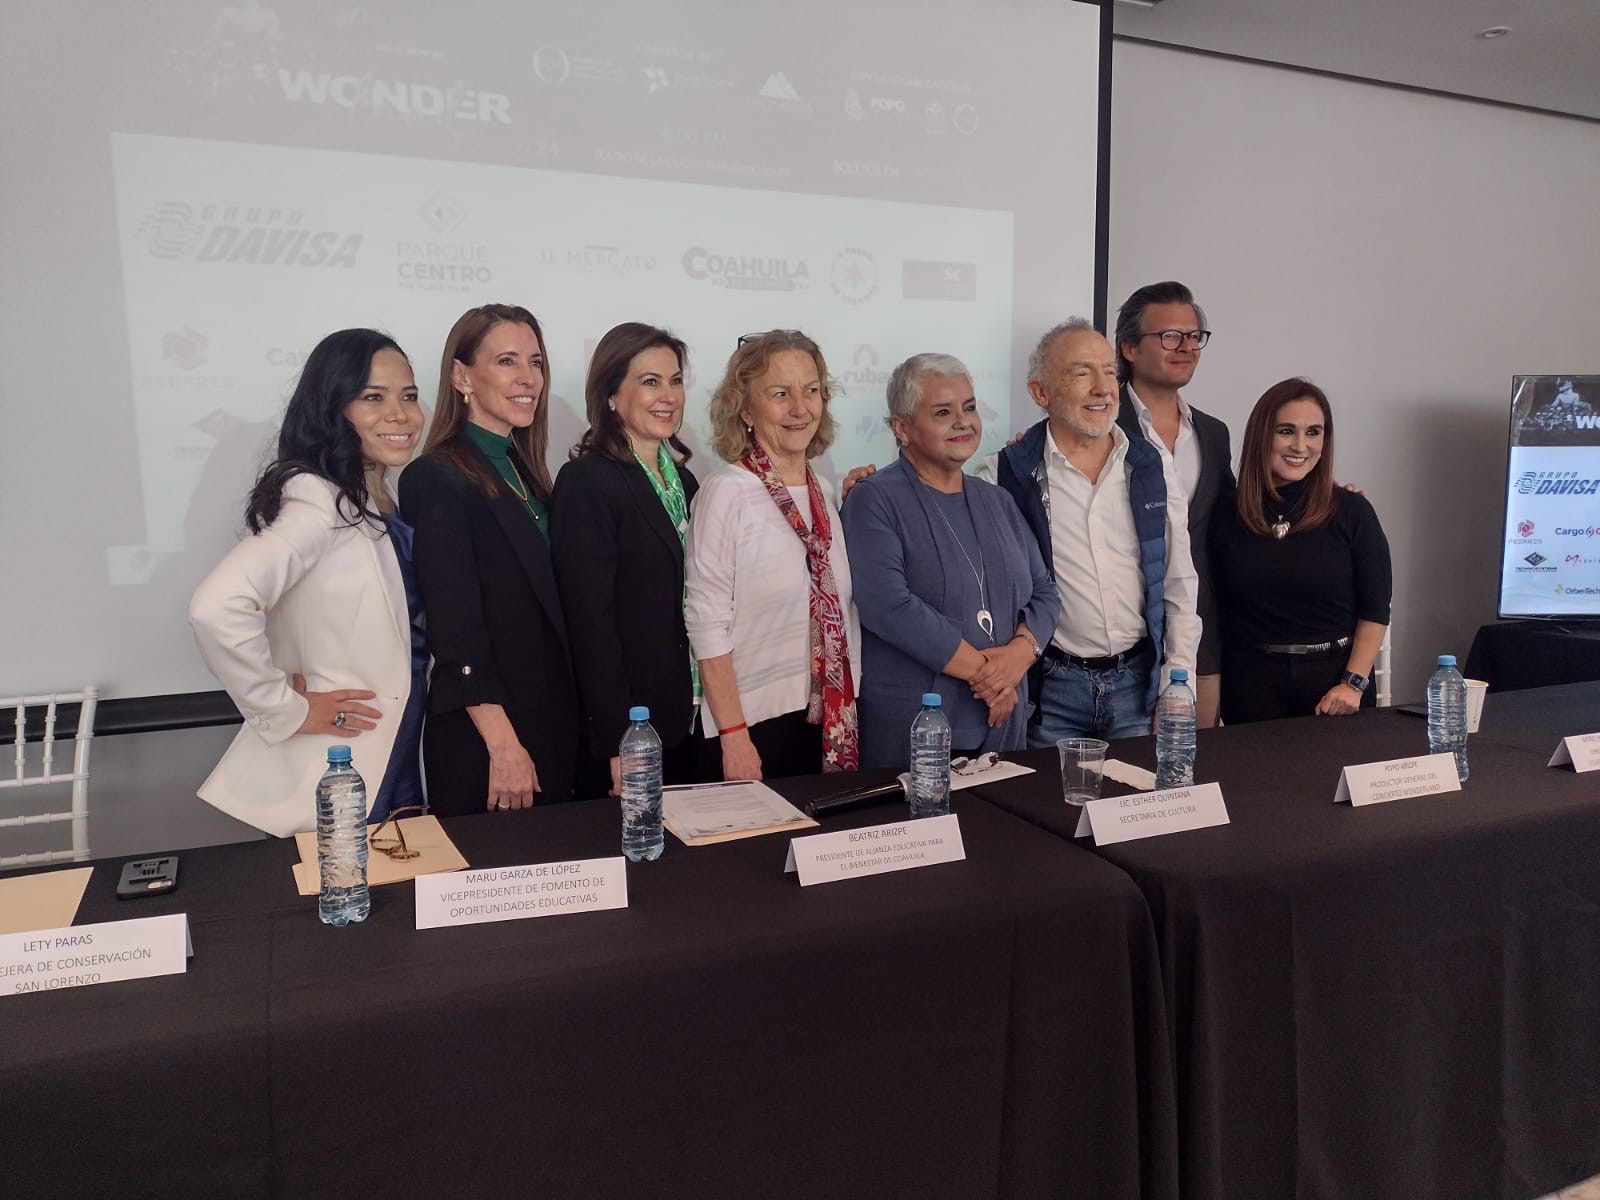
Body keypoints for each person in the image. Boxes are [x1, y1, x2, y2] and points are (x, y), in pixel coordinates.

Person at [190, 328, 426, 837]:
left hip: (400, 740)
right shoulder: (318, 499)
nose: (400, 414)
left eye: (408, 396)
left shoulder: (377, 496)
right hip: (345, 759)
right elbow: (217, 607)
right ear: (333, 409)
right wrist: (285, 709)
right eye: (373, 398)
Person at [974, 319, 1200, 744]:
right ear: (1040, 393)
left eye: (1109, 372)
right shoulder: (1003, 476)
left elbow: (1179, 581)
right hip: (1049, 693)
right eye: (1081, 374)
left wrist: (1178, 680)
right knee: (1047, 791)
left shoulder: (1151, 465)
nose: (1102, 389)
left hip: (1138, 687)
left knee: (1137, 790)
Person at [399, 304, 579, 814]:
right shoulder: (435, 477)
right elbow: (456, 632)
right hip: (492, 745)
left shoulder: (525, 471)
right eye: (506, 361)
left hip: (548, 727)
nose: (528, 378)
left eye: (535, 362)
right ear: (462, 377)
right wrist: (504, 747)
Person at [843, 353, 1059, 767]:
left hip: (1004, 722)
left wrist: (1019, 656)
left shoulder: (997, 500)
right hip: (917, 729)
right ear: (901, 427)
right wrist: (989, 676)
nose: (963, 422)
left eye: (970, 408)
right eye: (943, 412)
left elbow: (1045, 592)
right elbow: (888, 606)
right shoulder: (874, 499)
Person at [684, 329, 860, 780]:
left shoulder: (823, 491)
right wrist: (734, 736)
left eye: (811, 391)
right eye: (780, 394)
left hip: (825, 717)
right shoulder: (726, 491)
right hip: (750, 729)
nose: (800, 408)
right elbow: (705, 622)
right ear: (745, 409)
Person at [551, 323, 700, 794]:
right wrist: (621, 736)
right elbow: (590, 624)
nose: (668, 396)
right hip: (634, 731)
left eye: (675, 380)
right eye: (650, 381)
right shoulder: (587, 481)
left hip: (692, 717)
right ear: (611, 395)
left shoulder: (686, 483)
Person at [1209, 378, 1391, 722]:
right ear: (1262, 435)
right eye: (1286, 431)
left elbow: (1376, 608)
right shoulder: (1226, 513)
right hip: (1249, 685)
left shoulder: (1352, 511)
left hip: (1335, 686)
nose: (1300, 445)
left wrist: (1352, 683)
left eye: (1313, 432)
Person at [1112, 280, 1235, 728]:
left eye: (1194, 336)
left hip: (1200, 638)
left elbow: (1234, 522)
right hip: (1118, 645)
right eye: (1169, 336)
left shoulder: (1213, 433)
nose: (1186, 347)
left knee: (1193, 761)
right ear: (1129, 348)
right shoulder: (1099, 426)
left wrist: (1327, 500)